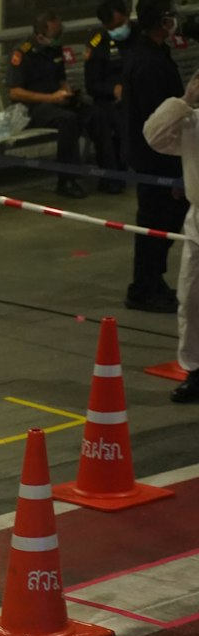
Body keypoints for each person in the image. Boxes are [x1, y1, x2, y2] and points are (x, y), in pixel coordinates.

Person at [121, 0, 189, 313]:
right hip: (156, 161)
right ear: (163, 21)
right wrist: (176, 172)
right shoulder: (149, 63)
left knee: (162, 225)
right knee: (154, 224)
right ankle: (143, 286)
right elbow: (157, 125)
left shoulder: (152, 54)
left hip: (157, 159)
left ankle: (151, 280)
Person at [142, 74, 199, 403]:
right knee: (191, 299)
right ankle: (195, 369)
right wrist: (185, 99)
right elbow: (154, 135)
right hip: (197, 222)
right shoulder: (191, 120)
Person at [9, 9, 101, 199]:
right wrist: (50, 98)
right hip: (32, 108)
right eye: (55, 34)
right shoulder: (22, 52)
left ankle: (110, 170)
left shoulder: (54, 48)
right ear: (40, 35)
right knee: (68, 120)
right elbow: (15, 92)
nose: (59, 38)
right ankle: (67, 180)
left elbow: (61, 78)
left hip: (56, 101)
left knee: (95, 113)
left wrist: (67, 92)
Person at [84, 0, 133, 193]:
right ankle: (113, 176)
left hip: (137, 94)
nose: (117, 30)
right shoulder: (98, 44)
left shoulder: (138, 37)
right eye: (112, 27)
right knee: (107, 118)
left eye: (120, 24)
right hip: (109, 100)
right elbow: (92, 85)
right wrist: (113, 90)